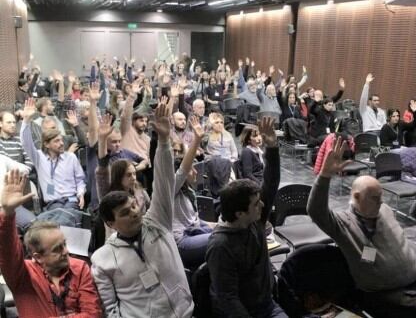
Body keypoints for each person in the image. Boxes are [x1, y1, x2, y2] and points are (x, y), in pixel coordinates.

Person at [91, 102, 194, 318]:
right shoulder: (103, 260)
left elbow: (164, 180)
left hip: (184, 313)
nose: (135, 213)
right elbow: (109, 310)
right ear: (110, 223)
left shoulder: (157, 222)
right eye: (126, 213)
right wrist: (102, 141)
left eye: (134, 207)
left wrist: (164, 141)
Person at [307, 137, 416, 318]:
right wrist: (325, 175)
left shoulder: (384, 209)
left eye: (381, 195)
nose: (381, 201)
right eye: (375, 197)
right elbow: (315, 211)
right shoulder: (343, 224)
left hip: (414, 282)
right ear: (358, 197)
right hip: (387, 294)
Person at [206, 117, 287, 318]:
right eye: (256, 204)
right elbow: (228, 299)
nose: (262, 206)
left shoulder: (254, 219)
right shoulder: (220, 246)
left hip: (267, 304)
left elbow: (271, 183)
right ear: (240, 213)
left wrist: (272, 147)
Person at [0, 169, 102, 317]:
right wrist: (7, 213)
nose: (66, 252)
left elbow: (92, 314)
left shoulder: (80, 268)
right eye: (57, 249)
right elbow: (7, 251)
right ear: (38, 257)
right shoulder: (22, 275)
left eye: (64, 244)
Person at [20, 98, 86, 212]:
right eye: (57, 141)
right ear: (46, 144)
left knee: (66, 215)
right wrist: (26, 121)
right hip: (53, 203)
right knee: (59, 215)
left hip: (71, 201)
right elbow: (26, 143)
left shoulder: (70, 157)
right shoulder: (39, 158)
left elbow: (80, 180)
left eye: (61, 140)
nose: (61, 144)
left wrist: (81, 193)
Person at [173, 116, 213, 268]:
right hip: (181, 241)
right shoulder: (172, 189)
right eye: (192, 168)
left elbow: (195, 221)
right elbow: (182, 170)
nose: (196, 171)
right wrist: (196, 140)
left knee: (227, 231)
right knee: (221, 240)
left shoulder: (188, 190)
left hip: (192, 232)